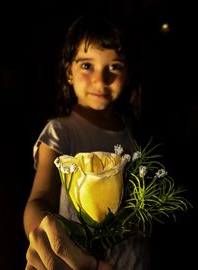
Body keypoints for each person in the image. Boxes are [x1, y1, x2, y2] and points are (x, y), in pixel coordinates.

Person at [23, 15, 151, 270]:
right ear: (68, 71)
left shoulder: (130, 133)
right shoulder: (60, 132)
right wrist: (44, 235)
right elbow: (38, 202)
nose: (101, 80)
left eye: (114, 67)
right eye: (87, 66)